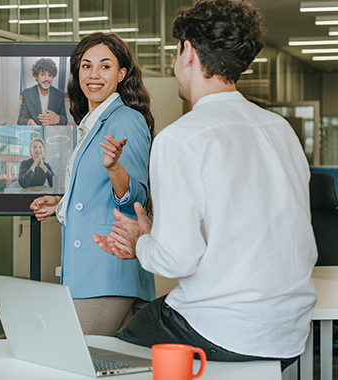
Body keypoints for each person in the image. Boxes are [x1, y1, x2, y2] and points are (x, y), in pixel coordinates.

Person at [93, 0, 317, 370]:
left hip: (222, 331)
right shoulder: (280, 130)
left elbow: (176, 259)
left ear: (189, 53)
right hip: (288, 334)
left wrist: (141, 241)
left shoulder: (181, 139)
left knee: (110, 358)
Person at [29, 32, 156, 336]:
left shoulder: (126, 119)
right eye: (86, 66)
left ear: (122, 74)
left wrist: (114, 167)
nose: (93, 75)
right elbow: (94, 193)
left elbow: (136, 197)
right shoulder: (92, 121)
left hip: (108, 268)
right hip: (90, 270)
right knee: (109, 364)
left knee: (76, 355)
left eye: (105, 66)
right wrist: (61, 203)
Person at [17, 58, 67, 126]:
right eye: (43, 74)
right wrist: (28, 122)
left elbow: (65, 120)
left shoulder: (59, 94)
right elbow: (21, 119)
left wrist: (58, 118)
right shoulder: (27, 93)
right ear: (36, 76)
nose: (47, 79)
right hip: (35, 131)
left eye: (50, 75)